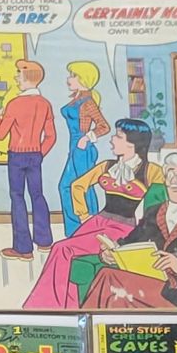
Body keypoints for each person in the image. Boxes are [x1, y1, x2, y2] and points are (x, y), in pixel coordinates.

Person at [25, 118, 162, 309]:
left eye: (118, 136)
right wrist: (83, 215)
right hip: (98, 221)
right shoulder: (107, 166)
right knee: (64, 251)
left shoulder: (152, 171)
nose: (112, 139)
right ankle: (59, 306)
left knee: (62, 249)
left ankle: (45, 306)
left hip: (124, 228)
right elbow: (77, 186)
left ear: (133, 143)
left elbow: (160, 203)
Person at [85, 155, 177, 309]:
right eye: (170, 174)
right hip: (147, 279)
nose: (174, 181)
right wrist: (112, 254)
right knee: (110, 281)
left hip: (174, 289)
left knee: (108, 277)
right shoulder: (154, 212)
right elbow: (130, 241)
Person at [0, 59, 57, 260]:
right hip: (35, 155)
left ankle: (23, 249)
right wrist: (39, 154)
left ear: (27, 78)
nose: (16, 77)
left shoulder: (15, 104)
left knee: (17, 197)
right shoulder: (45, 104)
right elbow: (51, 136)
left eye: (19, 74)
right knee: (38, 195)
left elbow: (1, 134)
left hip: (17, 156)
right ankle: (45, 241)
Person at [57, 61, 110, 235]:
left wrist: (87, 137)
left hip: (83, 148)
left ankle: (90, 229)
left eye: (73, 75)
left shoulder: (87, 102)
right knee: (66, 187)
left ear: (83, 79)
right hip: (74, 147)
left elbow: (104, 126)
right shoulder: (77, 99)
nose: (68, 79)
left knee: (82, 187)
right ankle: (74, 231)